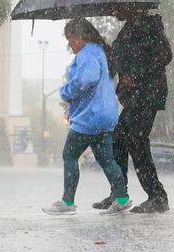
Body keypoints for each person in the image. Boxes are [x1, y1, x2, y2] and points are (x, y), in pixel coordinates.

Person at [43, 19, 132, 216]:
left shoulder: (88, 54)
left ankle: (67, 201)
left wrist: (66, 91)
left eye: (70, 39)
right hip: (105, 116)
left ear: (80, 37)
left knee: (69, 155)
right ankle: (122, 199)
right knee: (107, 159)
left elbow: (86, 80)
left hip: (89, 117)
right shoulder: (100, 52)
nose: (69, 44)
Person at [92, 7, 173, 214]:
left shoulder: (150, 26)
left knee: (136, 140)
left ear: (130, 6)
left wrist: (136, 74)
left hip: (148, 94)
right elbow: (121, 60)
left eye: (117, 6)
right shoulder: (128, 29)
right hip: (134, 96)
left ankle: (157, 196)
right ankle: (119, 194)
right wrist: (105, 48)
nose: (113, 11)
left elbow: (165, 55)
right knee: (119, 138)